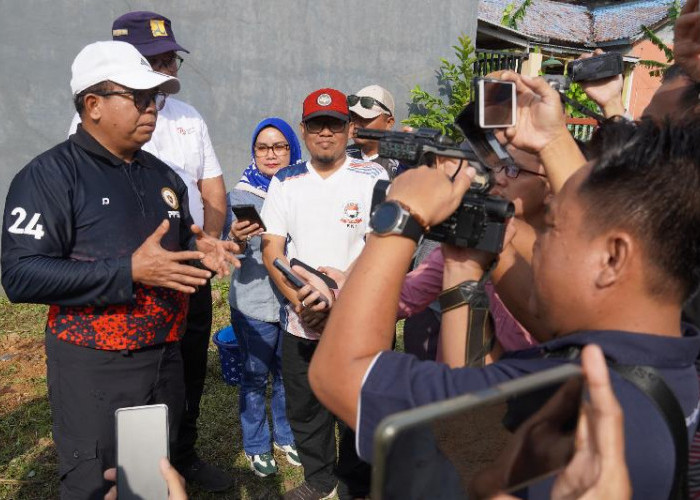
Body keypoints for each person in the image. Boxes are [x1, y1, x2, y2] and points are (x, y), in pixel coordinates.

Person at [306, 80, 700, 498]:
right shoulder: (672, 363)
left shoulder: (566, 389)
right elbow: (465, 441)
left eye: (554, 227)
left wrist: (402, 216)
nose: (539, 244)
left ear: (614, 257)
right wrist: (464, 263)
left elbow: (338, 373)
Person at [1, 41, 239, 499]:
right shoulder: (50, 175)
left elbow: (173, 246)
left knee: (151, 480)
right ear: (92, 105)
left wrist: (198, 249)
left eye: (156, 98)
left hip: (164, 359)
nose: (152, 109)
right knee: (99, 483)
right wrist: (127, 271)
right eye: (139, 97)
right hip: (94, 367)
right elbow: (20, 275)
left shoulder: (164, 177)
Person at [68, 11, 231, 490]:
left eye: (171, 57)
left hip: (189, 272)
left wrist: (206, 240)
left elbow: (212, 189)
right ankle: (122, 470)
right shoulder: (90, 126)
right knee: (134, 381)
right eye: (154, 58)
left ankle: (182, 454)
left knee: (187, 367)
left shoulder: (187, 116)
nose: (168, 67)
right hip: (130, 282)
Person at [261, 88, 389, 499]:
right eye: (316, 125)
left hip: (360, 317)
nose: (325, 133)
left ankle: (354, 482)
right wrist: (302, 301)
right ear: (304, 130)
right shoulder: (286, 180)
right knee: (306, 406)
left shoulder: (374, 177)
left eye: (334, 124)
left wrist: (339, 293)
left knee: (358, 406)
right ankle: (319, 481)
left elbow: (380, 244)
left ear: (349, 128)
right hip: (301, 317)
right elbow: (272, 250)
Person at [223, 118, 302, 477]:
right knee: (254, 376)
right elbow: (229, 251)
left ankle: (285, 435)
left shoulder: (302, 186)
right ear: (253, 152)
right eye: (263, 148)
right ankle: (256, 443)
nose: (271, 155)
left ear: (292, 149)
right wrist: (237, 238)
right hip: (254, 303)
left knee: (287, 375)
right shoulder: (241, 196)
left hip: (293, 303)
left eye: (279, 146)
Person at [346, 84, 404, 179]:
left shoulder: (401, 164)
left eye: (366, 118)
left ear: (389, 122)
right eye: (354, 116)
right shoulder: (341, 157)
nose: (356, 124)